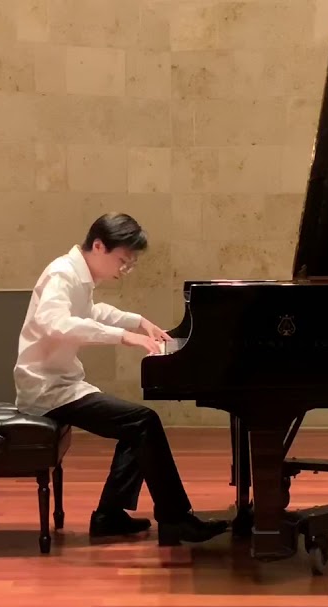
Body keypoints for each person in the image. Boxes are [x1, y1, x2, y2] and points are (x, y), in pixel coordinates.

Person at [13, 212, 229, 546]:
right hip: (46, 389)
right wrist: (123, 336)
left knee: (138, 427)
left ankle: (110, 516)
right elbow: (55, 323)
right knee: (143, 422)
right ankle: (174, 518)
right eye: (123, 261)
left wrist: (137, 321)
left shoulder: (77, 276)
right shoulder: (62, 274)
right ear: (99, 246)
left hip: (61, 383)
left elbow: (90, 313)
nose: (124, 269)